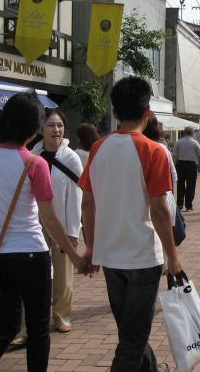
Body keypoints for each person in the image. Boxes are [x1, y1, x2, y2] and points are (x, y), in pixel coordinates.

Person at [79, 76, 182, 372]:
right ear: (147, 111)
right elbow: (160, 210)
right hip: (142, 257)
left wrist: (91, 248)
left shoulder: (98, 148)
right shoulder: (155, 150)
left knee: (130, 333)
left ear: (114, 112)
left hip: (110, 256)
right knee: (132, 340)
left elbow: (88, 202)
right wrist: (173, 256)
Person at [0, 92, 87, 372]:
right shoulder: (35, 164)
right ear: (34, 128)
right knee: (39, 329)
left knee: (7, 326)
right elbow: (49, 219)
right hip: (32, 255)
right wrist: (76, 257)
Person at [30, 109, 83, 335]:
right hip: (34, 225)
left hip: (61, 224)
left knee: (62, 274)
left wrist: (73, 230)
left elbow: (76, 197)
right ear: (41, 129)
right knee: (35, 273)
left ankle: (62, 314)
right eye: (51, 125)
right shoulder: (33, 156)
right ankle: (33, 316)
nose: (56, 130)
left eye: (60, 125)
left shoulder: (71, 158)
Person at [172, 127, 200, 211]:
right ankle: (189, 205)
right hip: (191, 165)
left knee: (180, 184)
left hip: (180, 164)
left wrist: (173, 166)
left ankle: (180, 204)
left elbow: (175, 156)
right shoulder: (195, 142)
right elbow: (199, 155)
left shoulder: (179, 142)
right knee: (191, 185)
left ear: (184, 133)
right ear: (192, 133)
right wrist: (199, 166)